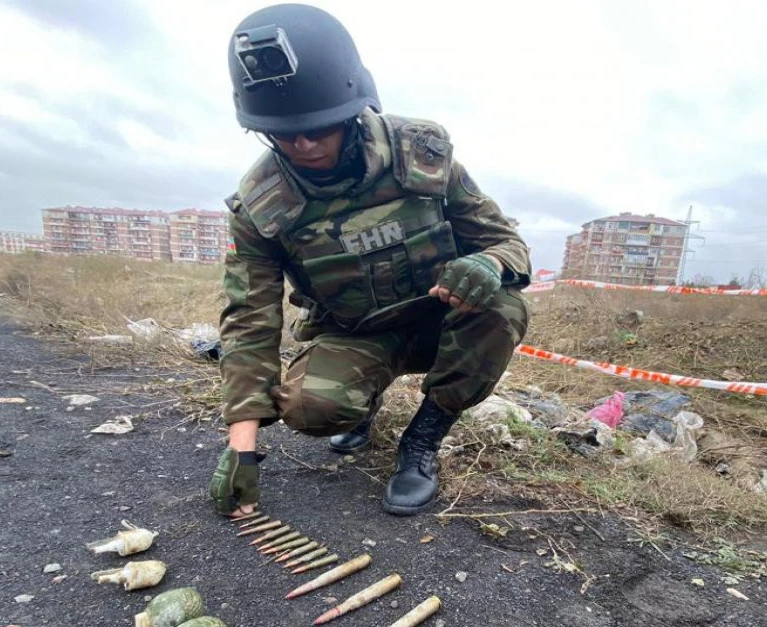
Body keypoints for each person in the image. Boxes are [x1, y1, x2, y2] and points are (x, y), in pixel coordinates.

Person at [208, 3, 531, 519]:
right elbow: (249, 320)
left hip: (440, 320)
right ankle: (360, 407)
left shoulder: (421, 155)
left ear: (354, 109)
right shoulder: (262, 208)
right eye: (284, 133)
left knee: (502, 308)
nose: (304, 143)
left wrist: (489, 264)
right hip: (356, 332)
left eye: (319, 127)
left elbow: (506, 243)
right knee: (312, 408)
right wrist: (241, 448)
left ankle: (421, 442)